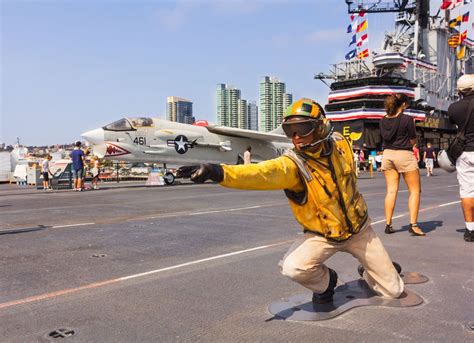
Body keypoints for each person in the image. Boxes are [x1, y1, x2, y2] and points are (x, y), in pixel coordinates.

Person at [177, 98, 404, 303]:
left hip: (360, 230)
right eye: (290, 131)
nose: (296, 137)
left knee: (393, 290)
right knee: (293, 267)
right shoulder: (292, 165)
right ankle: (326, 282)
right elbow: (261, 173)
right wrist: (218, 172)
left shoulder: (341, 144)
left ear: (321, 127)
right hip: (322, 235)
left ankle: (370, 271)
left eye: (303, 129)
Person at [379, 93, 425, 236]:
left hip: (387, 155)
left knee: (391, 191)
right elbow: (412, 140)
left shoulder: (382, 120)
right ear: (403, 105)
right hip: (404, 155)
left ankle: (388, 224)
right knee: (415, 191)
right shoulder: (407, 119)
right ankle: (413, 225)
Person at [447, 74, 474, 242]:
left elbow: (453, 124)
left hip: (464, 152)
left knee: (467, 191)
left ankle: (470, 229)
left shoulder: (453, 108)